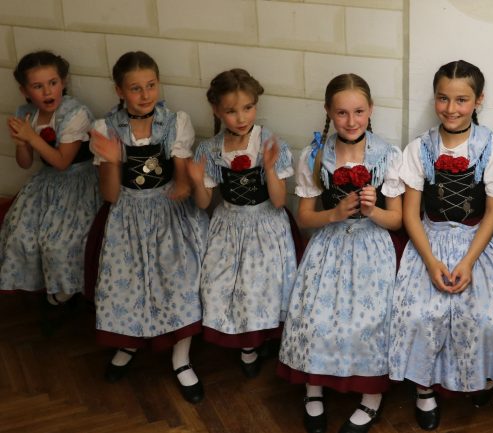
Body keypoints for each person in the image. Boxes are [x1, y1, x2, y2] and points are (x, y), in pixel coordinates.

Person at [389, 59, 493, 431]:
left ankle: (481, 377)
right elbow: (411, 214)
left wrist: (468, 262)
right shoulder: (419, 148)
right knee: (419, 313)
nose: (451, 108)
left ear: (478, 100)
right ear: (435, 98)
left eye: (461, 100)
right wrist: (431, 263)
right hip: (428, 240)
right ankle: (424, 388)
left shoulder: (492, 146)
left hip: (477, 243)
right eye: (443, 98)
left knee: (489, 316)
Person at [278, 73, 404, 433]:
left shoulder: (387, 155)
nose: (351, 121)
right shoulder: (315, 154)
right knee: (315, 315)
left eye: (359, 111)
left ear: (371, 110)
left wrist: (372, 210)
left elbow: (396, 219)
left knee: (369, 321)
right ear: (328, 112)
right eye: (342, 113)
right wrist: (333, 214)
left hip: (372, 246)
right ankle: (313, 387)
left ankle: (371, 395)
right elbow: (305, 217)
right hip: (329, 245)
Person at [89, 51, 208, 404]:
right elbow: (110, 195)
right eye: (135, 88)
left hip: (168, 210)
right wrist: (113, 161)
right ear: (119, 90)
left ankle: (181, 357)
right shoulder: (106, 129)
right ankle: (130, 341)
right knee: (128, 280)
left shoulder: (175, 121)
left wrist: (184, 187)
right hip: (127, 213)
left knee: (179, 279)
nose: (145, 95)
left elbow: (182, 180)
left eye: (151, 85)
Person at [188, 68, 297, 378]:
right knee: (221, 285)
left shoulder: (270, 143)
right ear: (216, 110)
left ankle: (258, 343)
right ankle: (244, 342)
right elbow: (204, 203)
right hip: (229, 225)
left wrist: (270, 169)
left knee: (259, 286)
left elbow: (279, 201)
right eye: (231, 111)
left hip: (265, 224)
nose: (241, 117)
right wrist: (196, 181)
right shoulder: (210, 149)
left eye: (248, 107)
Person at [0, 50, 99, 307]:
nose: (47, 92)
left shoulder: (74, 113)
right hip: (47, 182)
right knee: (20, 232)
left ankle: (68, 285)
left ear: (62, 82)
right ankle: (39, 281)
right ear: (25, 90)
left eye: (52, 83)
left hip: (79, 182)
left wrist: (32, 138)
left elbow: (63, 162)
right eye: (38, 86)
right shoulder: (26, 114)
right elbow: (24, 162)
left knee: (60, 240)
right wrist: (22, 142)